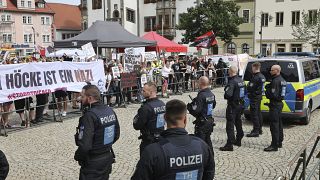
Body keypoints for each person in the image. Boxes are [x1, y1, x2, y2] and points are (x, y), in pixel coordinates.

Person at [131, 99, 215, 180]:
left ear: (164, 118)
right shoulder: (202, 146)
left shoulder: (153, 151)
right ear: (185, 120)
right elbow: (209, 174)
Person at [74, 84, 120, 179]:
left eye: (82, 96)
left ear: (90, 98)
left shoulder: (89, 116)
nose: (80, 99)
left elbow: (85, 146)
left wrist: (77, 156)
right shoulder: (110, 110)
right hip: (107, 158)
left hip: (93, 162)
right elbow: (116, 135)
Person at [133, 82, 166, 155]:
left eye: (144, 91)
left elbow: (137, 125)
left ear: (151, 92)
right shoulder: (162, 104)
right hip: (161, 139)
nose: (142, 92)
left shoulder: (146, 108)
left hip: (149, 142)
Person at [187, 76, 216, 154]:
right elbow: (213, 105)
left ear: (200, 83)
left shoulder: (201, 95)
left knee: (200, 143)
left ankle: (202, 161)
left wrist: (190, 107)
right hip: (209, 120)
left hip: (202, 123)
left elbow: (196, 111)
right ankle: (211, 157)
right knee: (208, 140)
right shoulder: (211, 94)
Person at [220, 66, 245, 151]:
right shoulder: (241, 80)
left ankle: (229, 144)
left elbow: (228, 95)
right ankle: (239, 138)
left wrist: (226, 93)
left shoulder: (232, 82)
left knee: (230, 125)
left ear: (230, 72)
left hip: (233, 105)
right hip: (240, 104)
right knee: (238, 121)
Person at [264, 65, 286, 152]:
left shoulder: (276, 81)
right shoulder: (282, 79)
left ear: (277, 71)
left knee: (274, 126)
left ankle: (274, 145)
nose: (270, 71)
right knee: (279, 124)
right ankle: (279, 141)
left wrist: (267, 90)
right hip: (279, 104)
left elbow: (273, 95)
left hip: (275, 104)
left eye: (272, 70)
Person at [246, 62, 266, 137]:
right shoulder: (262, 76)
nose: (252, 69)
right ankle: (259, 129)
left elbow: (250, 87)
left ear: (254, 67)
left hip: (254, 97)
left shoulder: (256, 77)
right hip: (259, 96)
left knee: (254, 114)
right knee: (258, 113)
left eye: (252, 68)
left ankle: (256, 130)